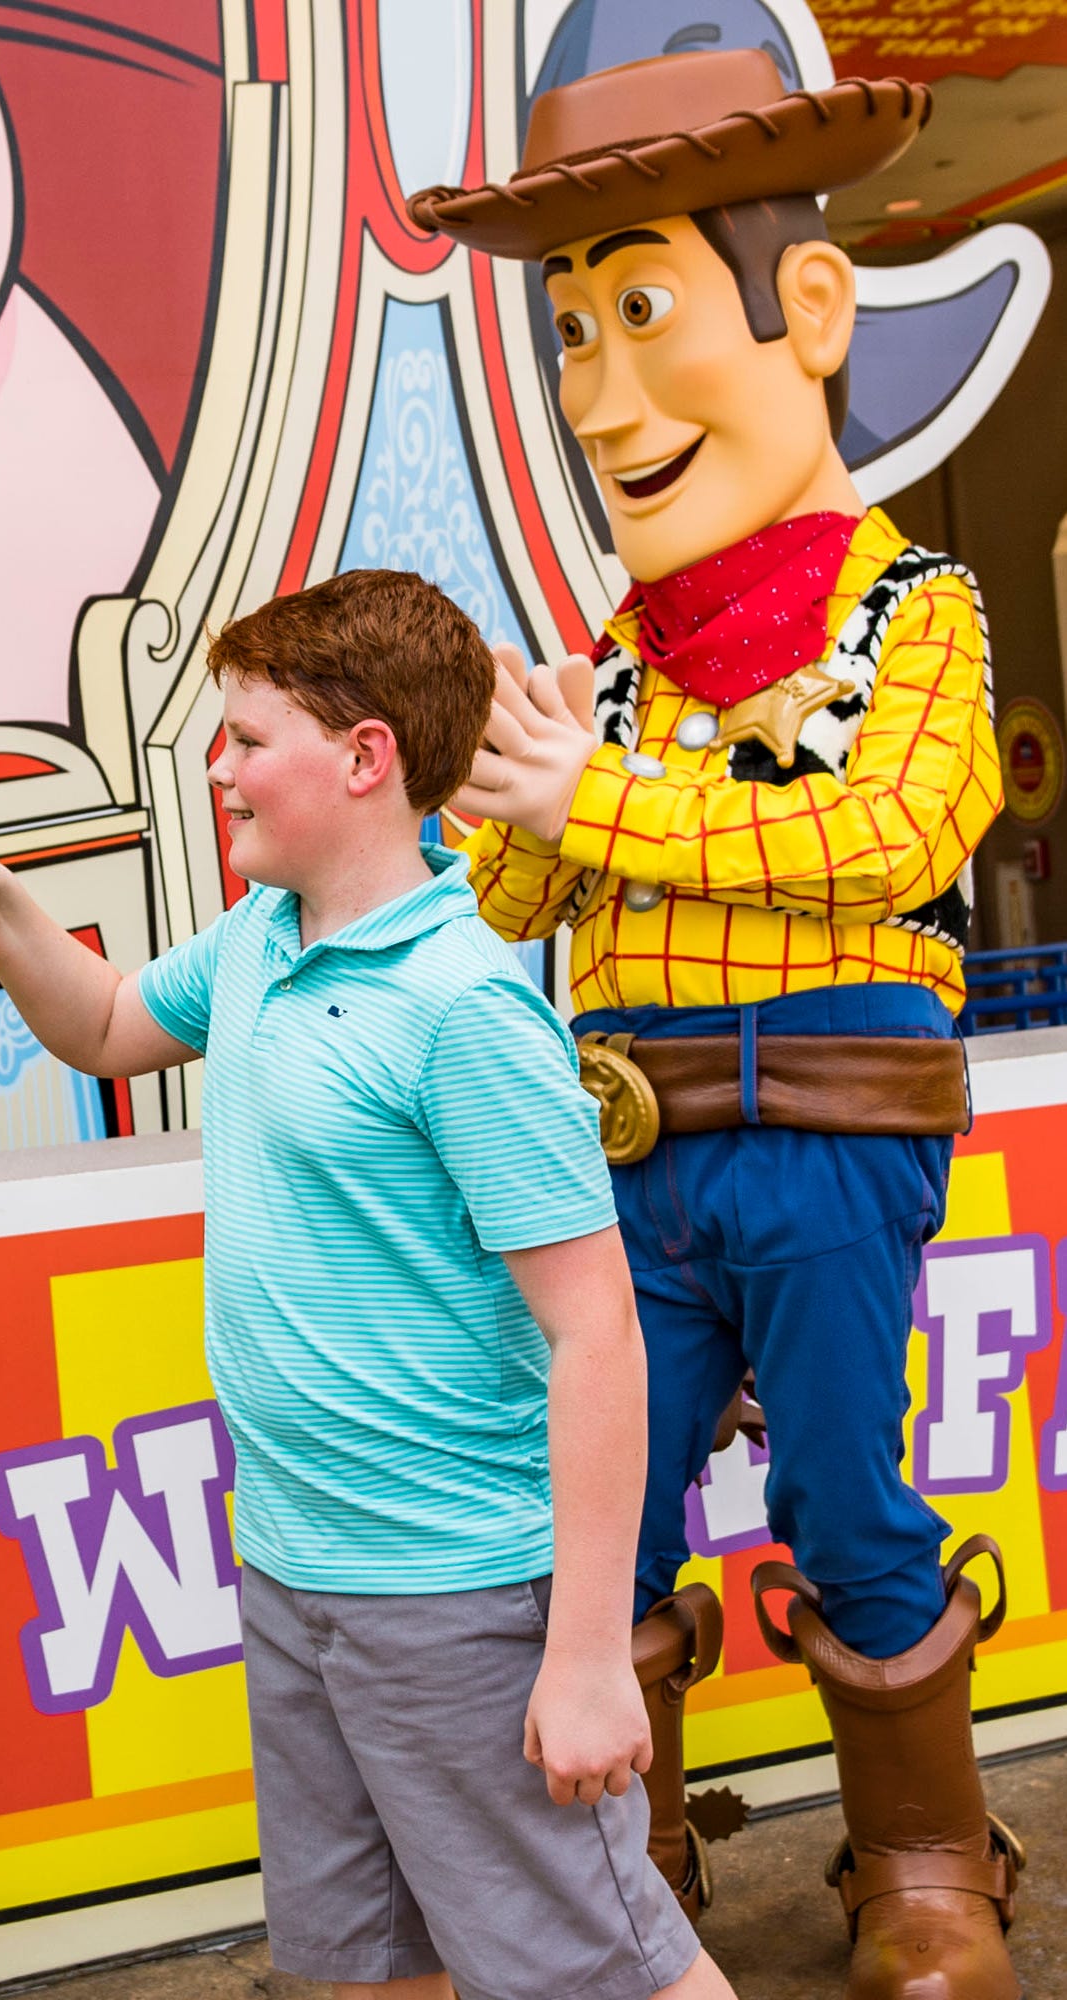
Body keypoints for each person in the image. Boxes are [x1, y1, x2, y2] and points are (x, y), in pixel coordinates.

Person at [0, 570, 734, 2000]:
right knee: (361, 1970)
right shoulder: (259, 942)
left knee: (601, 1974)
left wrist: (590, 1656)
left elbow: (598, 1331)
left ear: (363, 757)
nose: (219, 770)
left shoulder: (467, 1011)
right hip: (294, 1568)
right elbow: (106, 1025)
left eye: (246, 739)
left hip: (456, 1592)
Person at [409, 50, 1016, 1999]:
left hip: (835, 1132)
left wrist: (586, 798)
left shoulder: (918, 611)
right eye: (574, 333)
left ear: (809, 311)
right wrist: (509, 794)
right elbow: (516, 903)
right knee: (593, 1509)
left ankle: (925, 1858)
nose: (602, 398)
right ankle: (618, 1877)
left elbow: (888, 836)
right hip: (623, 1155)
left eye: (644, 310)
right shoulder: (616, 666)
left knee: (844, 1486)